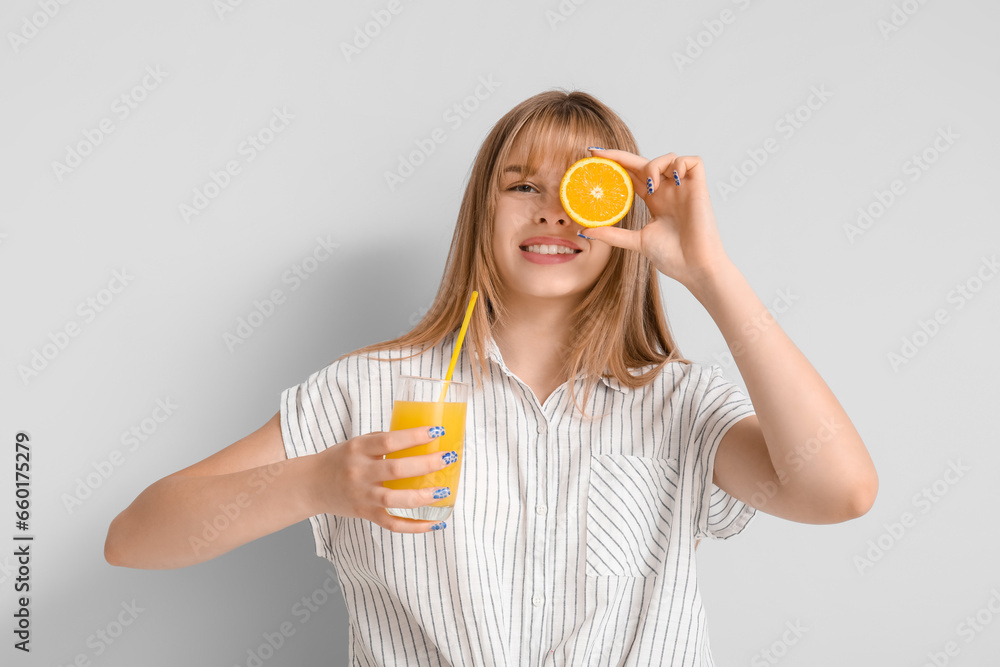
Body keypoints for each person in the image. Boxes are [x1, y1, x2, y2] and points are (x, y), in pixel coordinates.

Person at [105, 90, 878, 665]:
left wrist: (710, 273)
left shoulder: (678, 401)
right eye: (522, 186)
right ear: (484, 209)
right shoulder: (364, 390)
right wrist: (317, 484)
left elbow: (841, 491)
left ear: (619, 220)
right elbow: (135, 536)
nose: (553, 213)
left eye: (583, 191)